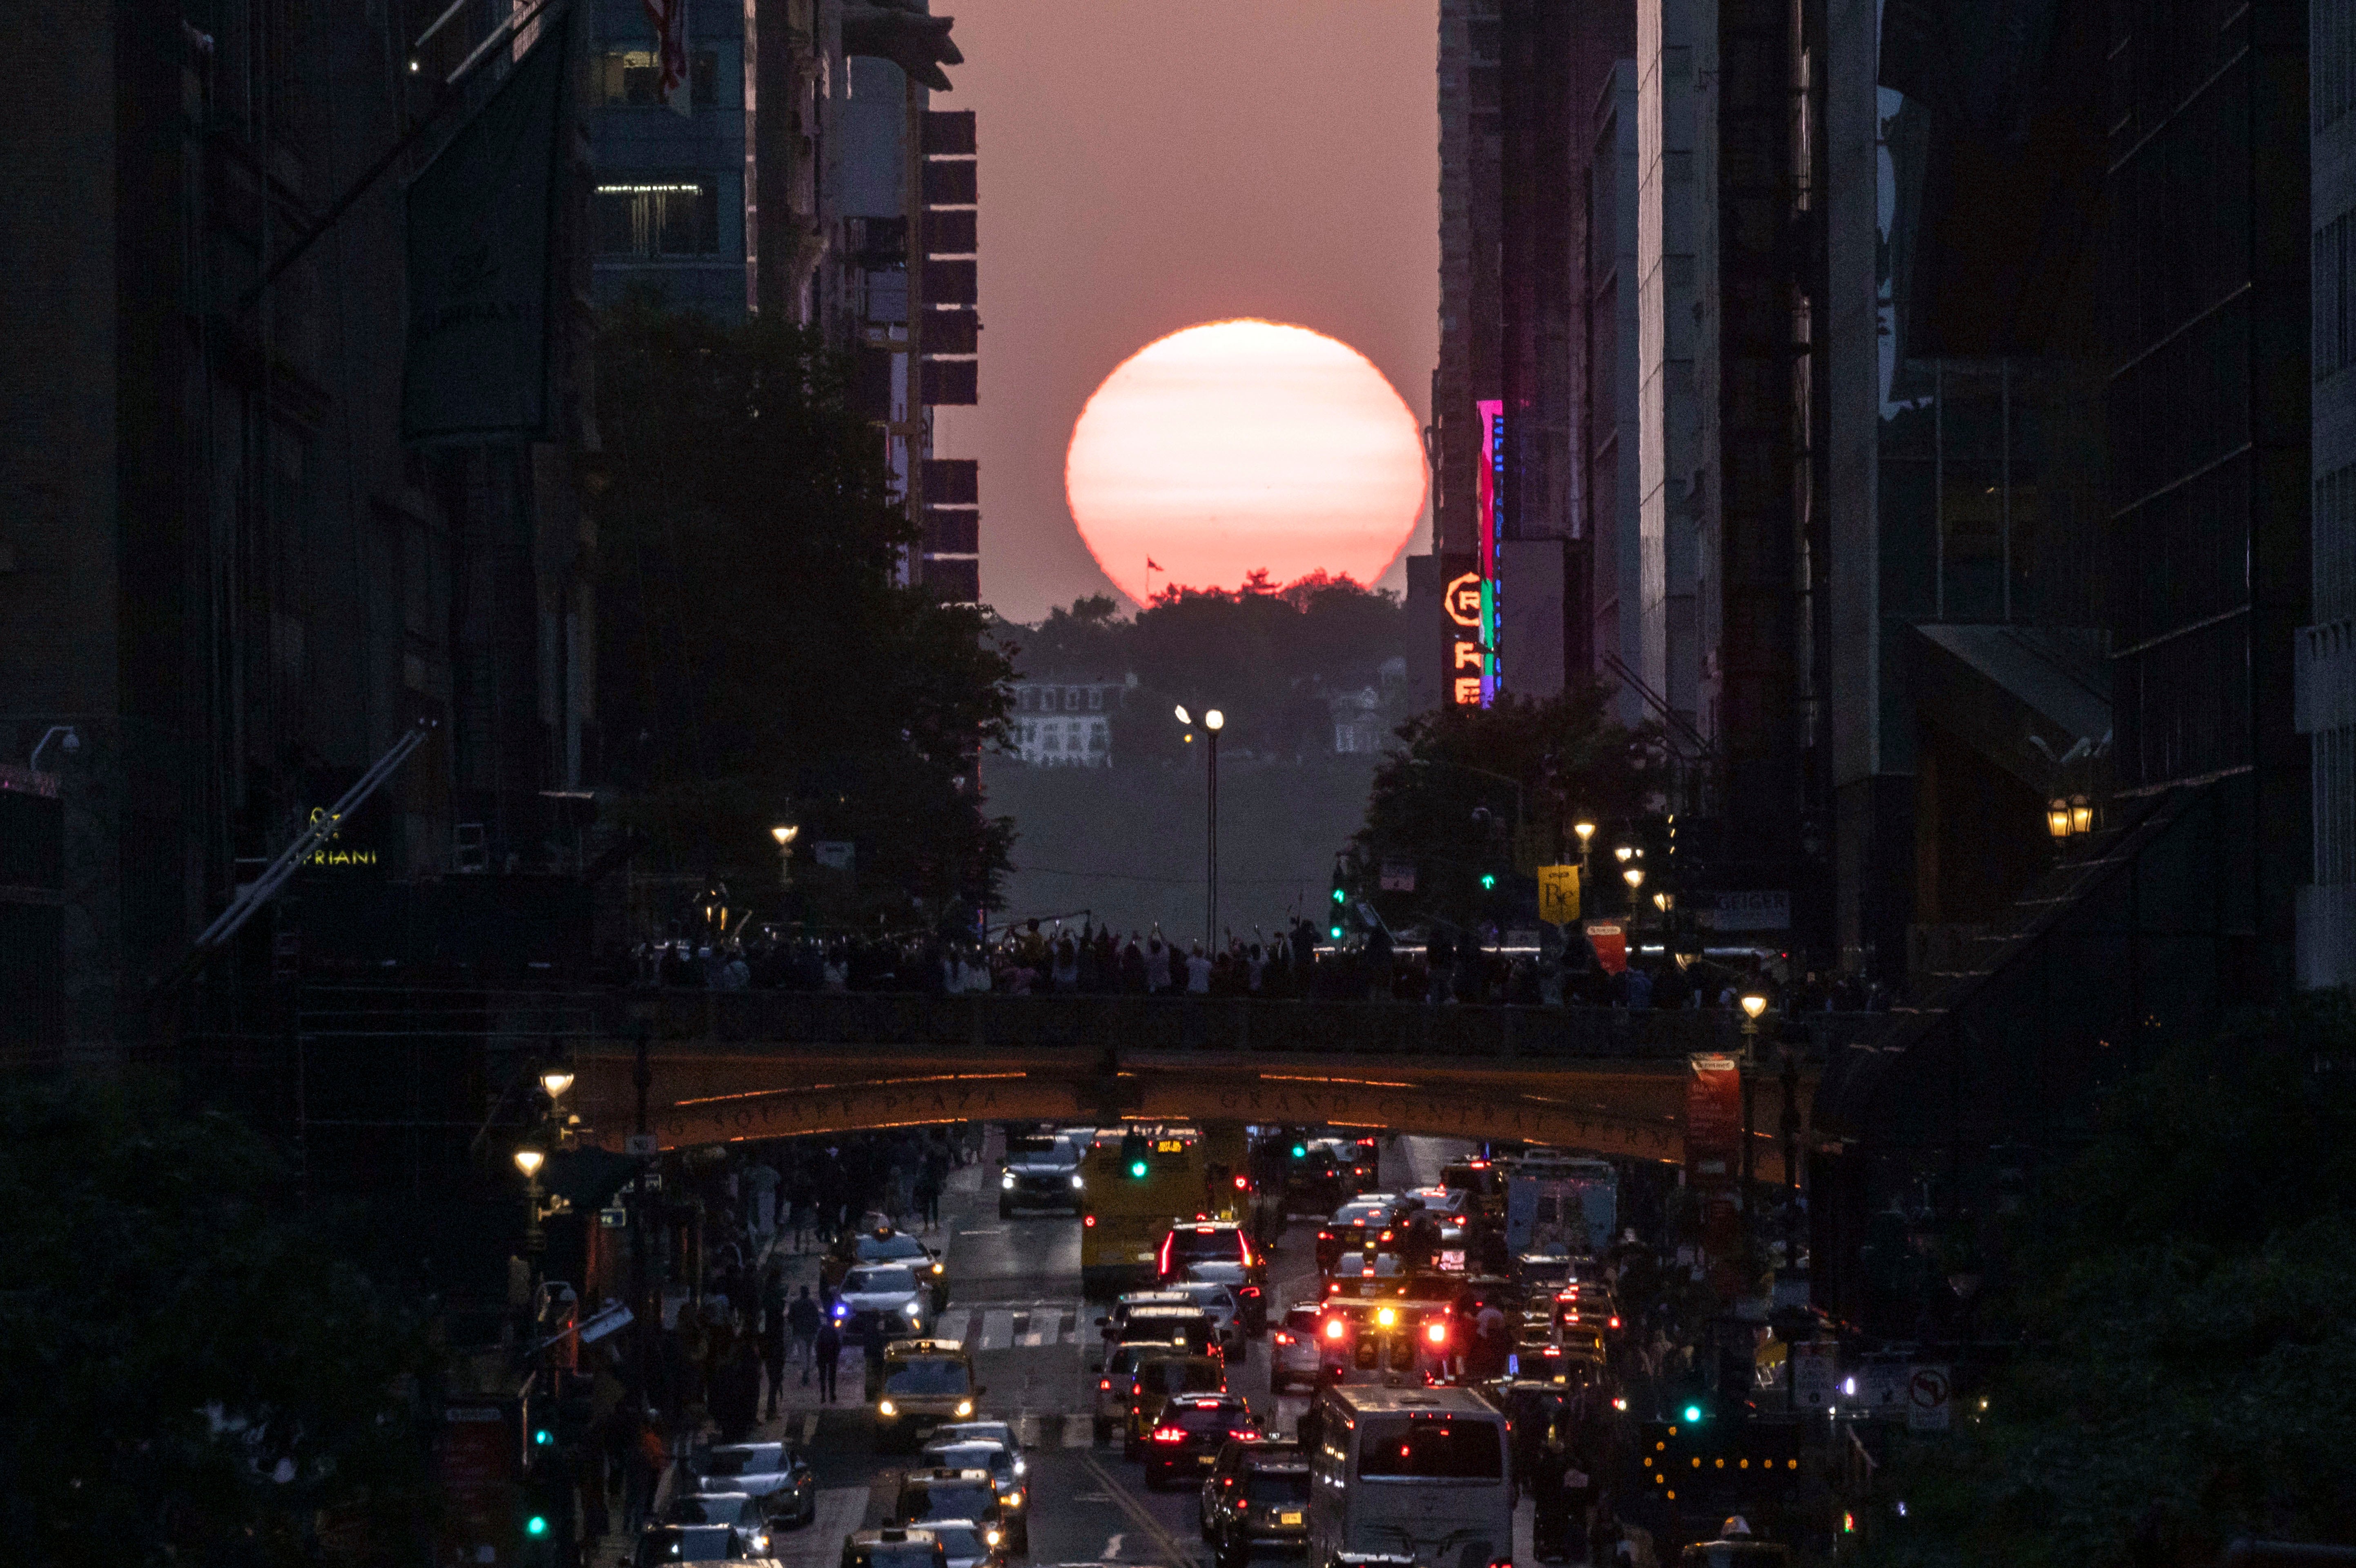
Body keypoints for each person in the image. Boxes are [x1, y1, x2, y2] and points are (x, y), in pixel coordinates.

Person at [789, 1285, 821, 1383]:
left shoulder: (795, 1304)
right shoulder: (812, 1304)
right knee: (808, 1351)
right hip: (811, 1332)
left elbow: (791, 1319)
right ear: (808, 1294)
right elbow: (817, 1319)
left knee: (802, 1353)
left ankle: (805, 1372)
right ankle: (806, 1372)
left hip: (799, 1332)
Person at [813, 1317, 843, 1403]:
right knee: (832, 1376)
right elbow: (838, 1344)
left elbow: (817, 1344)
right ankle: (832, 1395)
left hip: (822, 1356)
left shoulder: (821, 1332)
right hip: (832, 1356)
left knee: (822, 1376)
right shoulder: (835, 1332)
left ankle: (823, 1396)